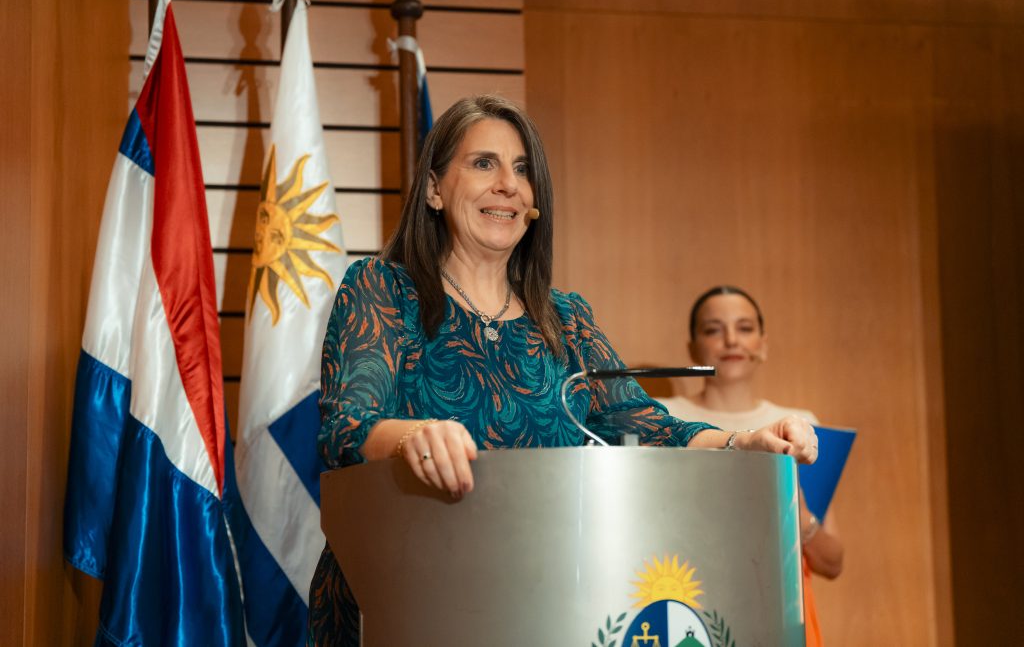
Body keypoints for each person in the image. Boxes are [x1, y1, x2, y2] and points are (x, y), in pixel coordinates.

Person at [306, 96, 819, 645]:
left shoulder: (567, 318)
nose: (508, 185)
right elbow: (346, 427)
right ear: (434, 189)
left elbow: (648, 426)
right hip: (403, 602)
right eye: (484, 163)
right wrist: (412, 437)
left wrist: (744, 443)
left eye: (522, 170)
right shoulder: (382, 289)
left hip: (543, 607)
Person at [658, 285, 844, 647]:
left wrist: (800, 516)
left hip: (776, 613)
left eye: (744, 328)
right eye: (713, 329)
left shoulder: (800, 426)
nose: (731, 340)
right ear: (692, 348)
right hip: (687, 602)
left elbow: (832, 563)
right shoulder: (665, 417)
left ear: (763, 344)